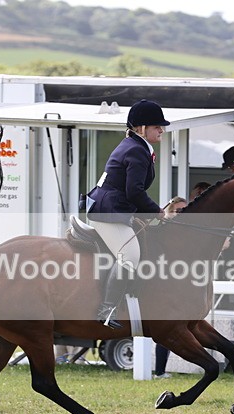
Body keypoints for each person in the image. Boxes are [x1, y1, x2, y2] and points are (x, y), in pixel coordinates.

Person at [86, 99, 168, 328]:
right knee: (129, 257)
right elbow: (134, 191)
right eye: (156, 126)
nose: (161, 129)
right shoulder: (136, 150)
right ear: (141, 128)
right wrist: (156, 211)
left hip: (116, 209)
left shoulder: (137, 146)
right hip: (108, 212)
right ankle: (107, 309)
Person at [154, 196, 187, 378]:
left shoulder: (184, 232)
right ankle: (159, 371)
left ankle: (160, 371)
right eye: (179, 211)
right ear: (170, 211)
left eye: (185, 211)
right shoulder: (162, 228)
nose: (182, 215)